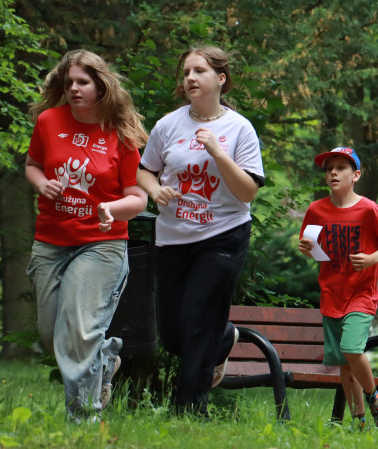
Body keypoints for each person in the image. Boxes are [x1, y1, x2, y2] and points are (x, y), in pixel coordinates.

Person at [137, 46, 264, 416]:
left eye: (199, 71)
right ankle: (224, 337)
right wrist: (154, 189)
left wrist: (219, 153)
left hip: (223, 235)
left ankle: (190, 408)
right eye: (186, 72)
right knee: (174, 333)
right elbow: (144, 170)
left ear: (220, 79)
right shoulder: (168, 125)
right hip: (173, 238)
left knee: (198, 320)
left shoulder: (239, 129)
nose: (190, 78)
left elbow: (247, 192)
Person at [25, 49, 149, 420]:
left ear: (101, 85)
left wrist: (111, 210)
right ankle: (105, 358)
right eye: (69, 83)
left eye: (83, 82)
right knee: (53, 336)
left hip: (102, 243)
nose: (74, 89)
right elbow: (32, 165)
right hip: (50, 241)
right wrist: (42, 183)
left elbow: (138, 197)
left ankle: (83, 419)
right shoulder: (49, 121)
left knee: (78, 332)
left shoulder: (120, 133)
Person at [298, 147, 378, 429]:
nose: (333, 172)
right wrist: (307, 249)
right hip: (331, 294)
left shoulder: (368, 209)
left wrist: (372, 258)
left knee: (352, 349)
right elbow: (311, 248)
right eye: (329, 168)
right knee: (345, 363)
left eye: (341, 167)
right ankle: (360, 421)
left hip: (361, 294)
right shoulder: (316, 210)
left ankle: (377, 403)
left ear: (355, 175)